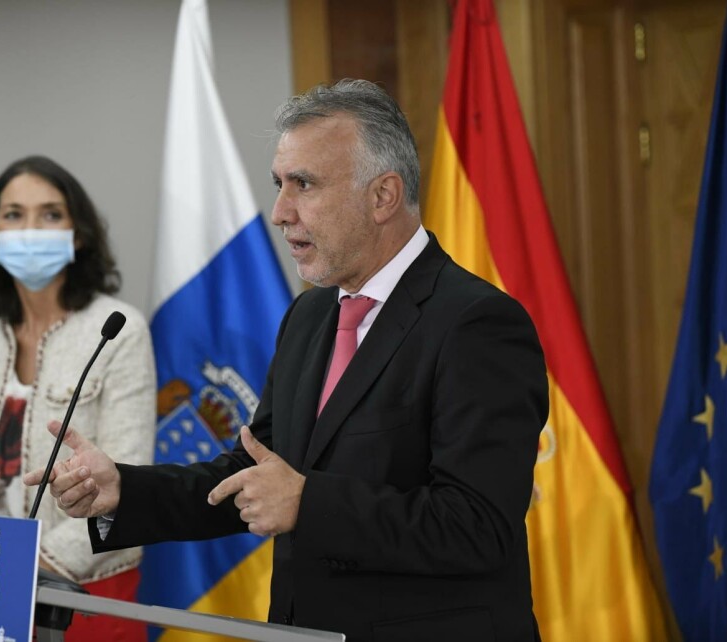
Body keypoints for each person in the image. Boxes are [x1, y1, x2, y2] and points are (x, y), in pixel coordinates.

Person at [27, 80, 549, 641]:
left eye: (304, 185)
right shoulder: (309, 317)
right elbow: (254, 475)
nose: (279, 212)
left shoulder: (477, 324)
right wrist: (125, 491)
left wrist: (309, 502)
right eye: (279, 184)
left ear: (383, 196)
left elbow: (477, 526)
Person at [0, 155, 156, 642]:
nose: (30, 228)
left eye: (50, 213)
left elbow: (126, 479)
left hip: (83, 594)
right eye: (13, 214)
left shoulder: (118, 330)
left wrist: (18, 569)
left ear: (78, 233)